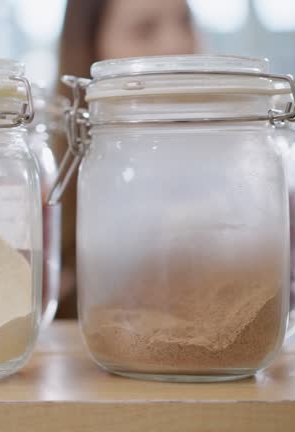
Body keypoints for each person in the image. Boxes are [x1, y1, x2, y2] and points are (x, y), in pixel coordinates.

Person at [53, 0, 198, 318]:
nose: (178, 45)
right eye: (144, 29)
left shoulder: (232, 167)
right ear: (91, 51)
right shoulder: (51, 180)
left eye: (185, 22)